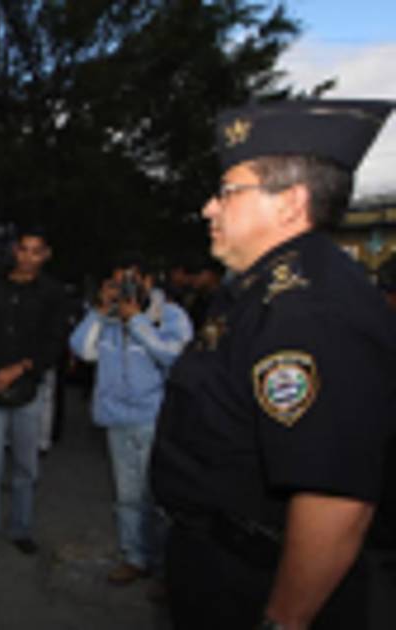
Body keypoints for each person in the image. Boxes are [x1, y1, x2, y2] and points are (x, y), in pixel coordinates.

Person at [151, 100, 396, 629]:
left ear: (290, 202)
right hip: (217, 560)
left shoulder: (311, 313)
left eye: (227, 191)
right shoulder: (257, 290)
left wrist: (284, 620)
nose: (209, 208)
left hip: (256, 582)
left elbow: (334, 500)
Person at [69, 256, 192, 584]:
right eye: (117, 281)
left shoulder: (170, 315)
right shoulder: (106, 317)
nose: (125, 288)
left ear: (148, 281)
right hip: (116, 418)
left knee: (159, 496)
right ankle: (135, 557)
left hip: (154, 418)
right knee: (127, 497)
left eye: (131, 280)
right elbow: (82, 350)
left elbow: (175, 356)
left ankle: (165, 568)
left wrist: (137, 321)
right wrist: (99, 310)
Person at [0, 227, 67, 567]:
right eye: (23, 249)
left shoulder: (53, 292)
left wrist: (19, 368)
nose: (28, 257)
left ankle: (21, 528)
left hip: (29, 390)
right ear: (14, 251)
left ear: (46, 254)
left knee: (26, 468)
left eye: (36, 251)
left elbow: (55, 343)